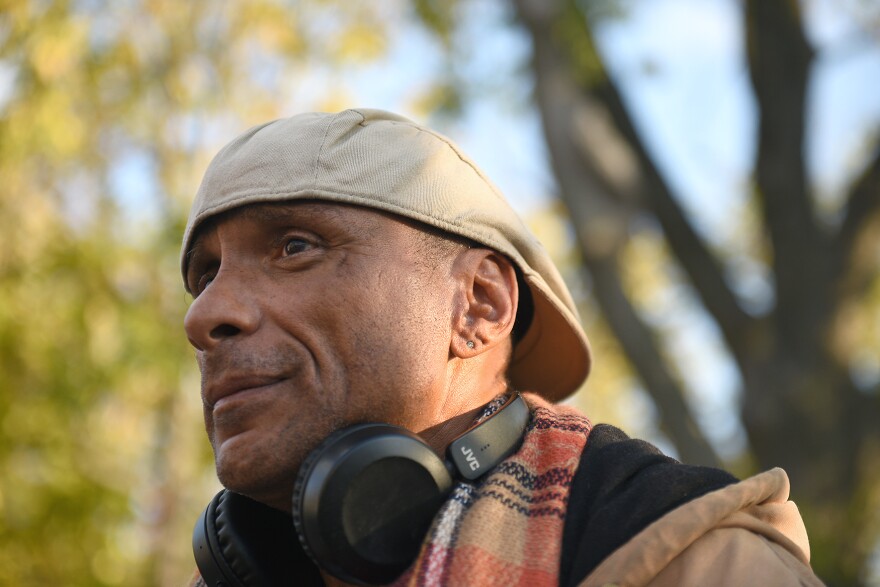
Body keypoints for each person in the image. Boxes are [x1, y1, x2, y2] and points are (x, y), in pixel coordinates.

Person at [182, 108, 823, 586]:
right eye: (205, 275)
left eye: (296, 246)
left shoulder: (696, 564)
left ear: (480, 305)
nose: (205, 315)